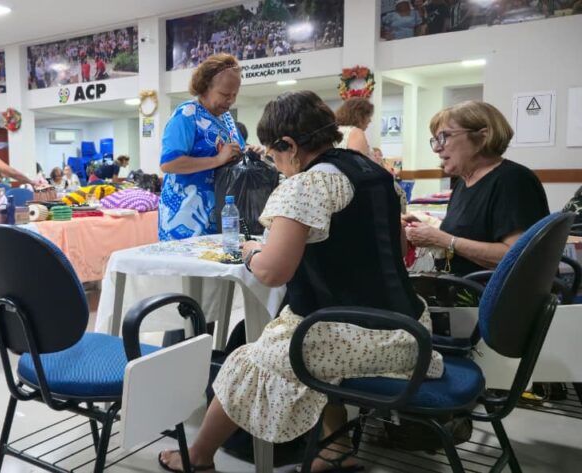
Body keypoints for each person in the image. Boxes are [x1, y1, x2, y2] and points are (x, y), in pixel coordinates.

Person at [158, 90, 442, 473]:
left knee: (248, 361)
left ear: (289, 145)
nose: (276, 164)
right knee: (309, 343)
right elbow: (397, 246)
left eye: (275, 155)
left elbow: (273, 272)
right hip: (410, 329)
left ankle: (198, 457)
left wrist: (250, 251)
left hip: (360, 336)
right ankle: (335, 449)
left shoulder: (307, 186)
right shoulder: (376, 174)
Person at [405, 100, 548, 276]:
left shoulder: (512, 180)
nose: (436, 148)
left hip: (486, 291)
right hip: (460, 284)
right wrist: (427, 230)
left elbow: (516, 256)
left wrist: (443, 240)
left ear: (482, 137)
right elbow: (468, 234)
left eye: (444, 137)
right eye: (435, 140)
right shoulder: (462, 183)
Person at [159, 53, 244, 241]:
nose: (230, 100)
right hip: (185, 219)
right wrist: (217, 159)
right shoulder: (186, 115)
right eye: (224, 94)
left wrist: (249, 152)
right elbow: (169, 164)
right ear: (205, 87)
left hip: (220, 216)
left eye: (234, 94)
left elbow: (235, 152)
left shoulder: (227, 119)